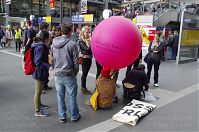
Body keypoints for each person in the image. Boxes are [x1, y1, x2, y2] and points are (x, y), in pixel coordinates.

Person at [51, 24, 80, 123]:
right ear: (69, 32)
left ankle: (62, 116)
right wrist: (75, 72)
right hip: (69, 74)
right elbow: (76, 61)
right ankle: (74, 116)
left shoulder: (53, 43)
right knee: (72, 96)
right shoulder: (72, 44)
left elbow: (52, 58)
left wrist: (54, 68)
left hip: (58, 74)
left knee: (60, 96)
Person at [32, 30, 51, 117]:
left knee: (39, 91)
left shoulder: (41, 45)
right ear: (46, 38)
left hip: (41, 72)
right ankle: (37, 111)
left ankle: (39, 105)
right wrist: (48, 66)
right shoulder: (40, 47)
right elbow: (38, 62)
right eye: (49, 37)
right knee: (38, 91)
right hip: (39, 72)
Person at [78, 26, 92, 94]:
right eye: (87, 32)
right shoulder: (81, 41)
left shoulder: (89, 39)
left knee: (85, 74)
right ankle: (83, 88)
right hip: (85, 59)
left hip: (89, 58)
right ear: (83, 33)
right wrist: (92, 44)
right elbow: (86, 49)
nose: (88, 34)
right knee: (84, 74)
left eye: (89, 32)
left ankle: (84, 87)